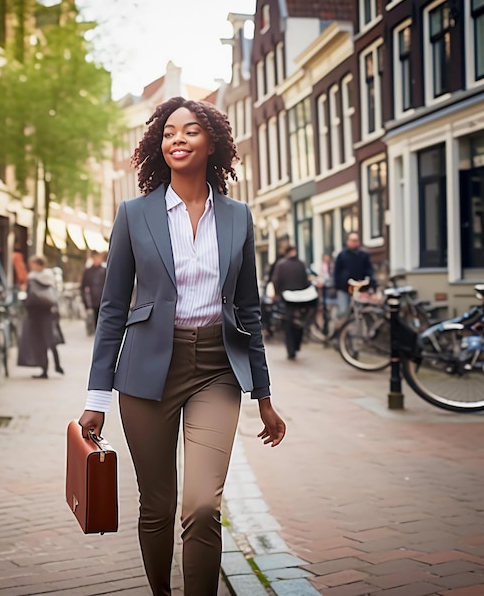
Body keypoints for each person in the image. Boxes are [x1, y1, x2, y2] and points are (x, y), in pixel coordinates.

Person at [78, 97, 286, 596]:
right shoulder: (134, 214)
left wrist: (264, 395)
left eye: (190, 131)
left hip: (216, 369)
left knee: (200, 505)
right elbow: (112, 309)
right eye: (169, 132)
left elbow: (248, 310)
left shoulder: (238, 217)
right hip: (146, 372)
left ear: (211, 142)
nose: (178, 139)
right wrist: (95, 399)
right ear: (158, 144)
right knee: (157, 504)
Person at [17, 255, 63, 378]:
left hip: (36, 314)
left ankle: (45, 369)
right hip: (48, 312)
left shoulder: (32, 279)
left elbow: (29, 297)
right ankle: (57, 365)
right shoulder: (49, 278)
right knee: (50, 340)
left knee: (40, 341)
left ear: (37, 264)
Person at [272, 245, 313, 360]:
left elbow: (276, 280)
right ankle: (297, 345)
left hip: (287, 297)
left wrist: (278, 293)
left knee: (288, 324)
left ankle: (291, 350)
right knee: (299, 322)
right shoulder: (301, 263)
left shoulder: (281, 264)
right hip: (301, 297)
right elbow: (305, 280)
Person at [333, 232, 377, 318]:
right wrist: (337, 286)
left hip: (359, 288)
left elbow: (369, 271)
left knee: (361, 311)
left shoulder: (363, 256)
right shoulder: (342, 255)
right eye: (351, 240)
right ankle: (339, 327)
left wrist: (372, 284)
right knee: (343, 310)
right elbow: (336, 272)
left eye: (355, 240)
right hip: (344, 288)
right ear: (348, 241)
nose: (353, 242)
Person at [80, 250, 106, 332]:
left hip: (102, 296)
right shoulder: (88, 271)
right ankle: (95, 330)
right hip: (92, 297)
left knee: (101, 315)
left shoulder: (104, 270)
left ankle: (100, 330)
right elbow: (83, 285)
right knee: (93, 314)